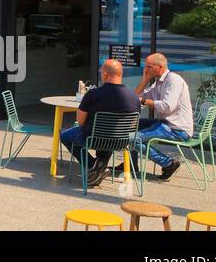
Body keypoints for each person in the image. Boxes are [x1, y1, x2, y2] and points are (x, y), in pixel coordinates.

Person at [59, 58, 141, 187]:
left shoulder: (93, 94)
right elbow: (132, 125)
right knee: (109, 136)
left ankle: (94, 165)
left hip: (93, 138)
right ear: (121, 74)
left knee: (65, 136)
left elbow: (80, 121)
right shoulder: (134, 97)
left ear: (105, 74)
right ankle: (99, 165)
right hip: (121, 142)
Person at [133, 53, 190, 181]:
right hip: (165, 123)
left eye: (148, 66)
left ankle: (168, 163)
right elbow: (135, 97)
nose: (145, 69)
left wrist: (144, 101)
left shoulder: (173, 80)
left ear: (160, 67)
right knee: (131, 125)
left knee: (132, 139)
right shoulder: (159, 82)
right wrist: (145, 79)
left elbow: (167, 106)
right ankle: (131, 165)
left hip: (177, 129)